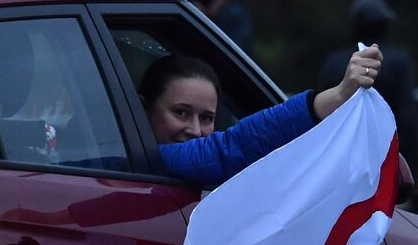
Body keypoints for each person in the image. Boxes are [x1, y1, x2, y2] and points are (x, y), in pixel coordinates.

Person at [144, 44, 383, 185]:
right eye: (181, 112)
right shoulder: (130, 161)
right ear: (145, 109)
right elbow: (232, 149)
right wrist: (339, 95)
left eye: (206, 118)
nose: (195, 130)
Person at [318, 0, 418, 202]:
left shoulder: (333, 64)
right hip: (388, 165)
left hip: (341, 167)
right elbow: (408, 117)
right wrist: (417, 165)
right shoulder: (397, 63)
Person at [186, 0, 254, 54]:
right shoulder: (191, 14)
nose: (201, 6)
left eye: (206, 1)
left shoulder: (235, 15)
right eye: (197, 0)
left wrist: (208, 19)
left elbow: (234, 50)